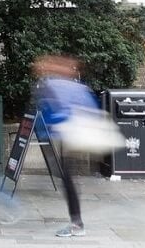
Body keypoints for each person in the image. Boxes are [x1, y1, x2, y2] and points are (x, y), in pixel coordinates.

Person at [33, 54, 94, 238]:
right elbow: (91, 108)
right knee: (68, 178)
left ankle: (77, 224)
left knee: (67, 179)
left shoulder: (53, 86)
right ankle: (77, 222)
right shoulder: (78, 87)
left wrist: (54, 126)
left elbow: (51, 114)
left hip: (71, 136)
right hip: (78, 135)